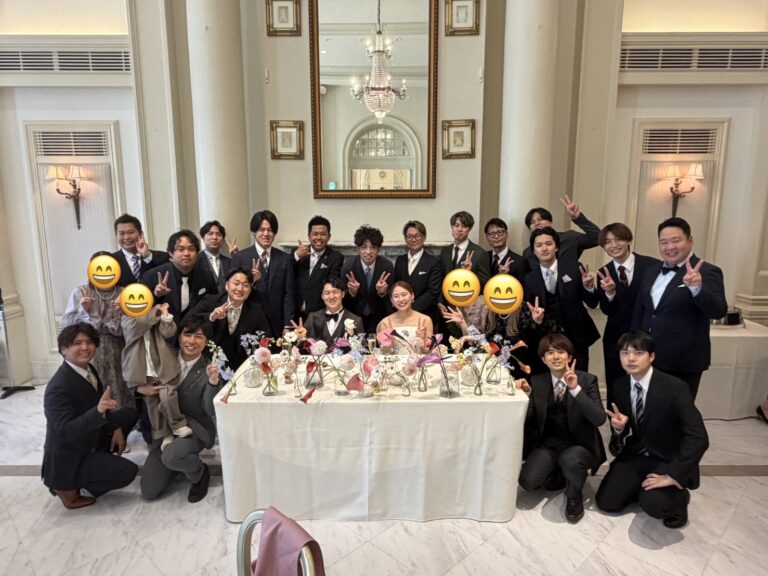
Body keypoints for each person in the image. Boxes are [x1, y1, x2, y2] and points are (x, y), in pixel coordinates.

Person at [596, 332, 709, 529]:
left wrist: (673, 474)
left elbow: (698, 437)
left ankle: (680, 499)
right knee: (607, 502)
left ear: (652, 356)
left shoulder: (674, 387)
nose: (631, 358)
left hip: (668, 457)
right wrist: (619, 429)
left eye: (638, 353)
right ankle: (640, 486)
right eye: (625, 353)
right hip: (638, 453)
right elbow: (625, 430)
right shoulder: (620, 386)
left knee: (654, 504)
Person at [42, 323, 138, 509]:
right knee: (127, 472)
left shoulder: (88, 369)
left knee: (129, 414)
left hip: (89, 437)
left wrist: (115, 428)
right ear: (63, 349)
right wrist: (99, 411)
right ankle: (67, 488)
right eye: (77, 343)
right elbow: (66, 431)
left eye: (89, 342)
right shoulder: (57, 387)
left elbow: (99, 404)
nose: (85, 347)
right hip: (71, 455)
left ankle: (100, 458)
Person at [631, 217, 727, 400]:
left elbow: (718, 310)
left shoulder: (707, 271)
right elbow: (641, 310)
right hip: (647, 356)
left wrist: (696, 288)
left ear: (690, 241)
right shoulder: (651, 271)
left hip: (683, 360)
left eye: (676, 240)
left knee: (677, 411)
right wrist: (634, 346)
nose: (670, 247)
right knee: (646, 407)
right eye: (664, 242)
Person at [516, 333, 606, 523]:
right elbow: (529, 418)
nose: (555, 357)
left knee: (571, 460)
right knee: (528, 482)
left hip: (578, 445)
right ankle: (558, 471)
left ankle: (574, 494)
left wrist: (575, 389)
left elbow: (599, 419)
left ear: (570, 357)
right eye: (550, 353)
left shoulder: (587, 380)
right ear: (543, 359)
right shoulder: (538, 381)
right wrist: (527, 395)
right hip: (549, 444)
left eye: (561, 352)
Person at [140, 314, 223, 503]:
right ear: (179, 337)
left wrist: (213, 383)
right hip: (165, 428)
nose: (191, 341)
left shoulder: (209, 368)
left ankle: (199, 473)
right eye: (187, 334)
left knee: (172, 456)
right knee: (149, 490)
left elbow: (210, 409)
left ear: (206, 342)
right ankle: (179, 464)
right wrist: (139, 388)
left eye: (198, 337)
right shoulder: (163, 357)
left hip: (194, 427)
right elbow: (138, 374)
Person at [593, 223, 659, 404]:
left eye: (618, 239)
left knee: (647, 383)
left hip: (646, 334)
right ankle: (616, 421)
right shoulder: (603, 272)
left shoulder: (652, 266)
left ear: (628, 240)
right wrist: (610, 293)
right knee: (616, 384)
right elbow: (607, 309)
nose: (613, 245)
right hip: (616, 336)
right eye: (607, 242)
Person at [61, 251, 131, 408]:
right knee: (92, 386)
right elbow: (67, 326)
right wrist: (84, 310)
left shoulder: (123, 292)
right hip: (88, 347)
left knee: (119, 384)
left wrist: (117, 313)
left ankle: (120, 417)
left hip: (118, 347)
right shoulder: (81, 292)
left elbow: (129, 328)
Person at [523, 227, 599, 371]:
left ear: (556, 247)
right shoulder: (530, 279)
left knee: (578, 378)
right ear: (533, 251)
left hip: (576, 336)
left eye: (549, 244)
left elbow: (593, 302)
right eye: (539, 245)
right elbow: (529, 314)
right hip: (546, 340)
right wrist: (536, 320)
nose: (544, 249)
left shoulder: (575, 269)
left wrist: (589, 287)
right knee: (549, 381)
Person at [122, 302, 193, 451]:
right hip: (142, 372)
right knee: (152, 405)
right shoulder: (127, 318)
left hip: (163, 368)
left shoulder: (155, 317)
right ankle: (164, 434)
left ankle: (178, 425)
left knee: (167, 397)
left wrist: (164, 314)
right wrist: (155, 312)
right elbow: (135, 327)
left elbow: (169, 332)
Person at [439, 294, 558, 375]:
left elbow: (541, 335)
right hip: (493, 369)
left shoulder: (523, 310)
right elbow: (484, 340)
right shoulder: (491, 312)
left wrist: (538, 321)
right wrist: (463, 323)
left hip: (518, 371)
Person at [190, 267, 271, 370]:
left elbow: (266, 337)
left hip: (241, 366)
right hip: (208, 363)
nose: (240, 289)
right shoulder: (210, 301)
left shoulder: (255, 310)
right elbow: (187, 322)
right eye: (236, 283)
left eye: (246, 285)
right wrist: (212, 316)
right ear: (227, 285)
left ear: (250, 289)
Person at [141, 229, 218, 334]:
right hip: (162, 336)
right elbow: (141, 309)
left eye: (191, 249)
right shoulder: (152, 276)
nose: (186, 253)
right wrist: (156, 295)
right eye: (180, 249)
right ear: (171, 253)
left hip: (193, 335)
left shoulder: (205, 275)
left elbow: (213, 303)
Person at [231, 210, 294, 336]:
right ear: (254, 232)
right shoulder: (240, 258)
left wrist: (288, 325)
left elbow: (289, 294)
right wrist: (251, 282)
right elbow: (233, 293)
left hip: (278, 323)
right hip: (249, 321)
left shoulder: (285, 258)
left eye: (270, 230)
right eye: (261, 229)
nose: (266, 234)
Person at [341, 225, 394, 334]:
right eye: (364, 247)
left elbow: (392, 296)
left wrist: (382, 292)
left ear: (378, 250)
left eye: (373, 247)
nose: (368, 251)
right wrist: (352, 292)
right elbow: (342, 297)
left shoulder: (387, 266)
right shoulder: (348, 267)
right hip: (354, 317)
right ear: (358, 249)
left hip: (380, 316)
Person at [522, 195, 600, 268]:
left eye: (540, 219)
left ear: (550, 222)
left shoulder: (570, 238)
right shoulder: (528, 253)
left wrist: (578, 218)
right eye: (532, 222)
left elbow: (597, 238)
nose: (537, 223)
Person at [392, 220, 442, 328]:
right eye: (409, 236)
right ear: (405, 239)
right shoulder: (400, 260)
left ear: (424, 237)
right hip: (402, 317)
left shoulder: (433, 262)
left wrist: (410, 309)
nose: (413, 239)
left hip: (425, 316)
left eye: (417, 236)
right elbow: (396, 285)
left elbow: (433, 292)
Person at [293, 215, 344, 321]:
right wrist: (296, 256)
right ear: (309, 236)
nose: (319, 238)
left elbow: (332, 283)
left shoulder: (335, 257)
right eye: (315, 234)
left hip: (319, 315)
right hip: (295, 313)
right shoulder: (298, 252)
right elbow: (287, 274)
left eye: (323, 234)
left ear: (329, 236)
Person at [111, 213, 169, 287]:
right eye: (122, 233)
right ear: (116, 236)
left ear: (141, 234)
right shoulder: (110, 261)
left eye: (130, 232)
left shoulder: (162, 257)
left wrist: (146, 257)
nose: (126, 237)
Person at [377, 281, 434, 352]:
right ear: (391, 300)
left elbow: (429, 351)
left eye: (404, 295)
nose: (401, 299)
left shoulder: (425, 320)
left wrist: (422, 340)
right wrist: (389, 345)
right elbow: (385, 353)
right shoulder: (385, 322)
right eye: (396, 296)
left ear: (412, 295)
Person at [439, 211, 491, 287]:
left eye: (463, 226)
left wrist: (469, 273)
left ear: (469, 229)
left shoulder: (480, 253)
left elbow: (486, 283)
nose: (459, 229)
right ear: (452, 227)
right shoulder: (445, 251)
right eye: (456, 225)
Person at [305, 278, 363, 345]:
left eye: (335, 292)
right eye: (327, 293)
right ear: (322, 296)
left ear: (343, 294)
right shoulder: (312, 318)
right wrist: (300, 338)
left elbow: (360, 348)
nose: (331, 297)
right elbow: (305, 345)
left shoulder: (356, 320)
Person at [484, 218, 528, 282]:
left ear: (507, 234)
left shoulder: (519, 261)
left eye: (500, 232)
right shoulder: (484, 257)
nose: (496, 236)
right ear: (487, 237)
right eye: (491, 234)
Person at [197, 220, 237, 290]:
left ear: (223, 239)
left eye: (219, 234)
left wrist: (236, 256)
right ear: (203, 237)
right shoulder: (195, 260)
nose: (215, 237)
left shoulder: (229, 262)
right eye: (210, 234)